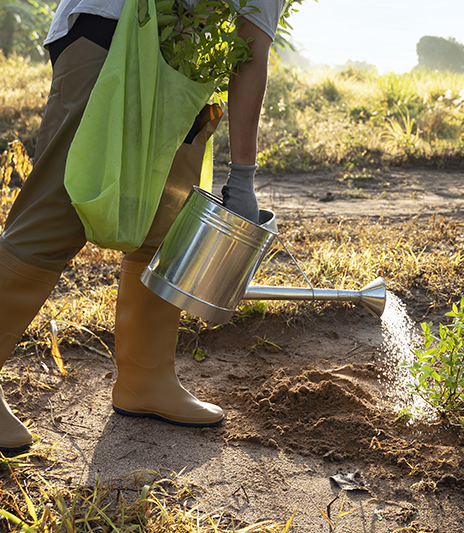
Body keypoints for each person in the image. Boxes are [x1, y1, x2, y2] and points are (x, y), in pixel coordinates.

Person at [0, 0, 285, 455]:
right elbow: (251, 51)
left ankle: (146, 379)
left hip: (183, 67)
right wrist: (245, 175)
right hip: (109, 40)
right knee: (61, 209)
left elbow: (244, 41)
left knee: (163, 220)